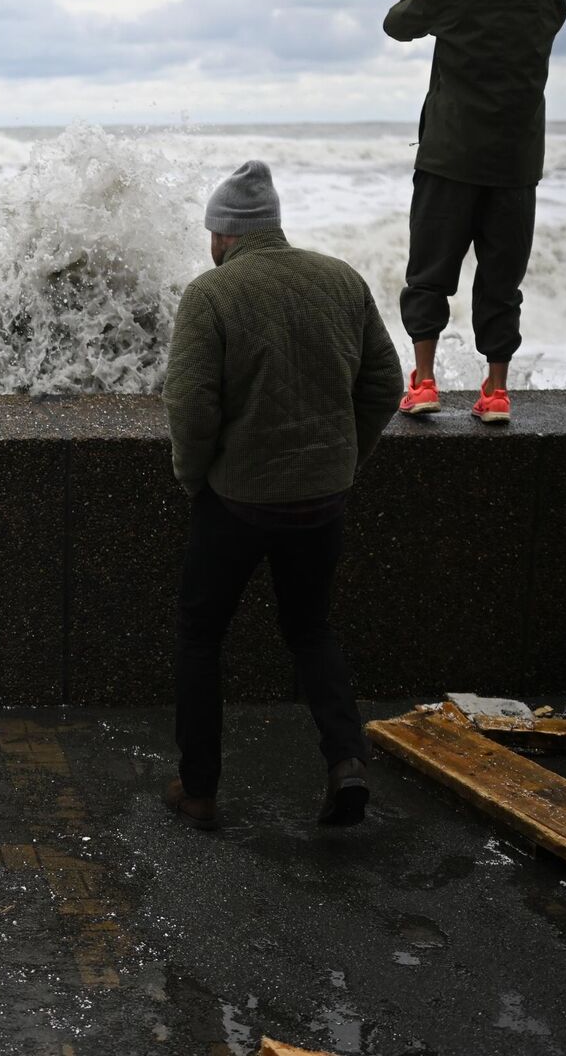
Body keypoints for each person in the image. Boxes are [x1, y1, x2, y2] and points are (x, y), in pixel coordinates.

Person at [162, 161, 403, 830]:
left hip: (237, 502)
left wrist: (195, 478)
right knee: (311, 628)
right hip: (322, 500)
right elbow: (385, 384)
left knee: (201, 635)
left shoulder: (210, 295)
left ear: (222, 234)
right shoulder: (340, 279)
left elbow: (190, 406)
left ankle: (200, 788)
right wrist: (341, 458)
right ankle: (346, 761)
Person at [386, 0, 566, 424]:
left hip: (450, 158)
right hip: (515, 165)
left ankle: (425, 382)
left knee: (429, 274)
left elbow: (397, 23)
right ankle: (496, 391)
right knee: (502, 282)